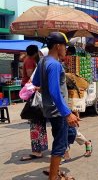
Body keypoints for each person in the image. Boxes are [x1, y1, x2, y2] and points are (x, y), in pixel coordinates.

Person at [32, 32, 79, 180]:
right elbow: (54, 91)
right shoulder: (54, 64)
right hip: (58, 111)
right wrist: (67, 113)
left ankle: (54, 167)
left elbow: (36, 82)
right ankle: (54, 177)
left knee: (69, 134)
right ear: (58, 46)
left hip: (50, 109)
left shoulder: (43, 61)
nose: (66, 49)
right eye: (65, 46)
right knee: (60, 144)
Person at [20, 45, 49, 162]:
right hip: (34, 93)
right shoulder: (31, 61)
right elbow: (32, 78)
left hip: (35, 93)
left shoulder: (35, 61)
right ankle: (39, 149)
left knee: (36, 122)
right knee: (38, 121)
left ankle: (37, 151)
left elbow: (32, 80)